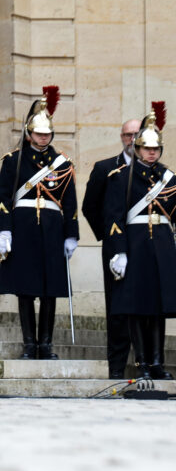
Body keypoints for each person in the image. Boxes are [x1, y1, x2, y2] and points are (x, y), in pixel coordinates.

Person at [0, 86, 79, 360]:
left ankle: (46, 344)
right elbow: (3, 199)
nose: (43, 138)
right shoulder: (14, 161)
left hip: (53, 230)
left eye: (47, 134)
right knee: (26, 289)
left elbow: (70, 202)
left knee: (50, 290)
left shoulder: (62, 164)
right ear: (29, 134)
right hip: (24, 227)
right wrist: (4, 229)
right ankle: (30, 344)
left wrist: (71, 234)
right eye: (39, 133)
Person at [103, 104, 176, 380]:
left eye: (155, 149)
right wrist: (119, 251)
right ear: (137, 149)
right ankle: (142, 363)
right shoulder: (121, 177)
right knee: (136, 308)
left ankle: (158, 362)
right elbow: (114, 218)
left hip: (162, 246)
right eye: (147, 149)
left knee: (158, 308)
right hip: (135, 246)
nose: (151, 153)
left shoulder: (169, 180)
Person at [81, 118, 140, 379]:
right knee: (117, 309)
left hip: (145, 248)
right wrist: (108, 237)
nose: (133, 139)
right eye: (128, 135)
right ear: (121, 137)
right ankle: (116, 368)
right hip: (116, 249)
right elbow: (90, 206)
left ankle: (147, 363)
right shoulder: (105, 168)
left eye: (138, 134)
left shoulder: (158, 171)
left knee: (146, 307)